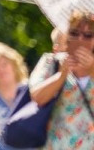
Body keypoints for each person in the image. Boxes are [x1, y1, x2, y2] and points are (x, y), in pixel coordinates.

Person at [28, 9, 94, 150]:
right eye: (74, 33)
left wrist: (91, 71)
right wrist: (61, 75)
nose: (80, 39)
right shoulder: (51, 62)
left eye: (88, 35)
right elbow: (37, 97)